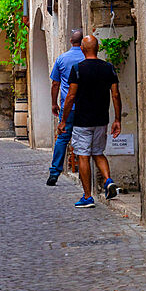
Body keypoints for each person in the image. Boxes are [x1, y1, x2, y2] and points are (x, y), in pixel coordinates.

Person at [58, 34, 121, 208]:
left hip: (82, 120)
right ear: (98, 48)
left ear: (83, 49)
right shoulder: (109, 68)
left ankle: (87, 196)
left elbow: (70, 97)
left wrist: (63, 120)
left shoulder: (77, 69)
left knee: (83, 156)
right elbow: (115, 94)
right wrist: (117, 119)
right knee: (98, 152)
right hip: (101, 119)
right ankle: (108, 180)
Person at [46, 29, 85, 185]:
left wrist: (54, 103)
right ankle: (86, 173)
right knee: (86, 139)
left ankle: (54, 172)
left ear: (70, 41)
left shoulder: (62, 59)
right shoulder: (86, 58)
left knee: (62, 138)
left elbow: (55, 83)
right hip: (85, 106)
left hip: (67, 107)